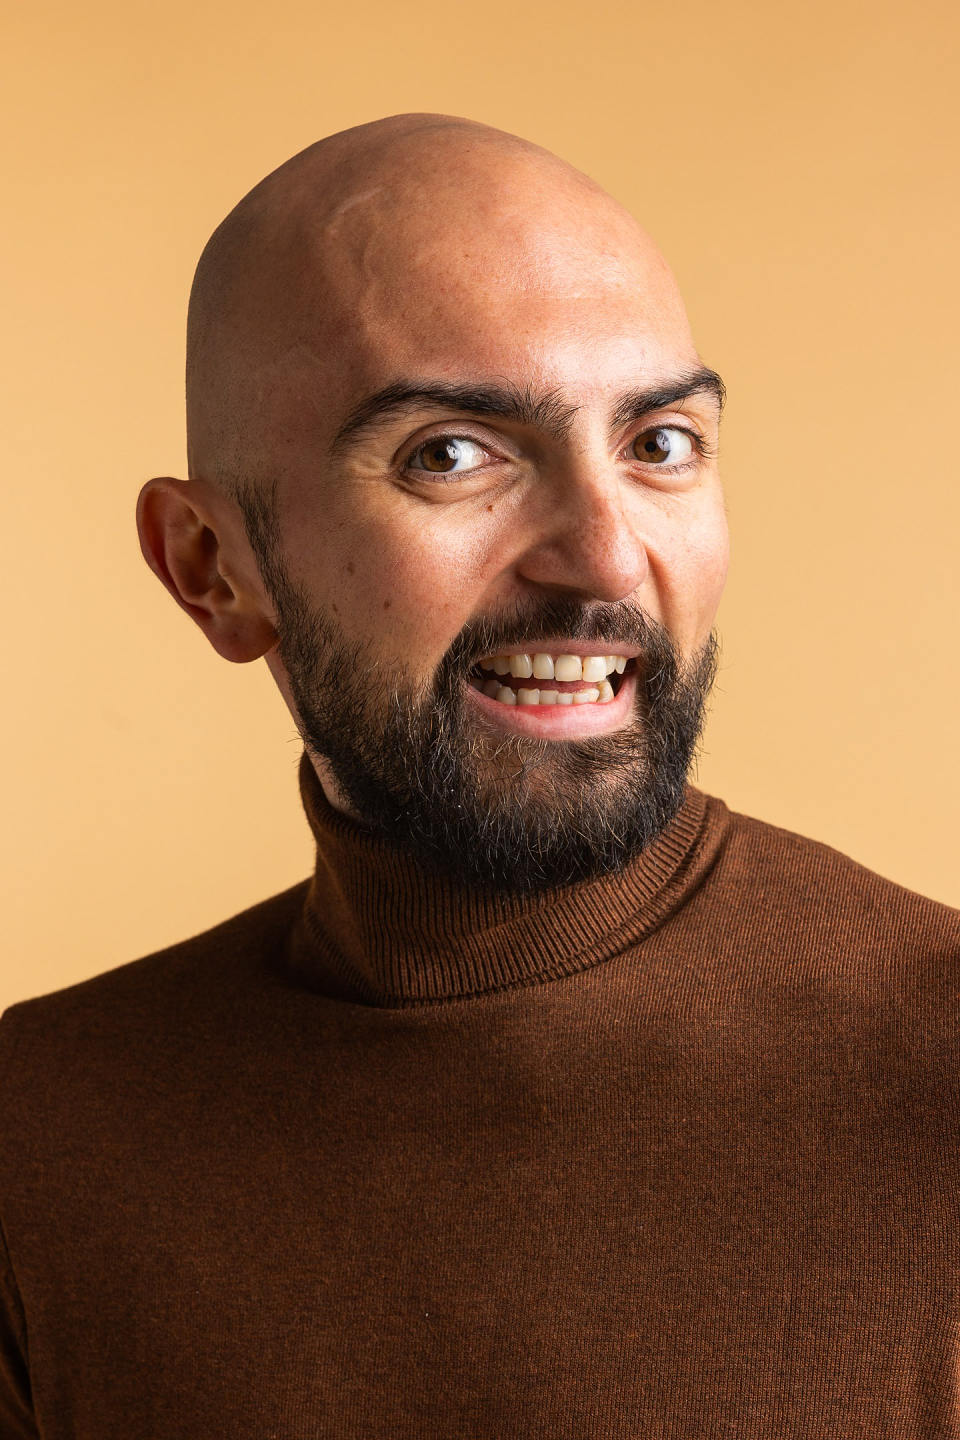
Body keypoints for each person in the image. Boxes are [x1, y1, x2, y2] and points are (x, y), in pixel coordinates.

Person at [1, 113, 957, 1439]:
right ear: (214, 569)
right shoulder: (35, 1146)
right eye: (452, 454)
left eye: (660, 443)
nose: (608, 558)